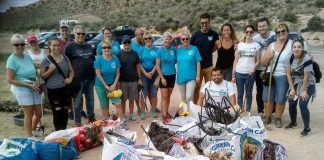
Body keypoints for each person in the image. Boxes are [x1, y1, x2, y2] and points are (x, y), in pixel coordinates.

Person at [6, 34, 42, 137]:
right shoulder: (11, 60)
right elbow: (10, 79)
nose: (19, 47)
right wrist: (28, 85)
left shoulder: (27, 56)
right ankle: (29, 136)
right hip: (22, 89)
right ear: (12, 46)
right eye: (16, 45)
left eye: (22, 44)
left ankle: (33, 130)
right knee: (29, 114)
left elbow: (33, 70)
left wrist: (37, 79)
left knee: (39, 113)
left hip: (34, 87)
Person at [261, 23, 292, 127]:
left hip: (283, 75)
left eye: (283, 31)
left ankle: (278, 117)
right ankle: (268, 116)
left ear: (287, 32)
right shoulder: (271, 45)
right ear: (276, 34)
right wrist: (268, 57)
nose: (281, 33)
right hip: (270, 75)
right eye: (278, 32)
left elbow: (299, 56)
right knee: (267, 98)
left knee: (280, 99)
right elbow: (263, 63)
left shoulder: (291, 45)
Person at [64, 25, 96, 126]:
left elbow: (92, 60)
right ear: (74, 34)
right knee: (77, 102)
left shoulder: (89, 46)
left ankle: (91, 117)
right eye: (79, 33)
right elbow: (66, 62)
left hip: (90, 78)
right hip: (77, 80)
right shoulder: (69, 47)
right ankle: (77, 122)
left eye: (83, 33)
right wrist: (69, 77)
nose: (81, 35)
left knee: (90, 100)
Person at [40, 37, 74, 131]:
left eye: (58, 45)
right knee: (57, 111)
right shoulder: (46, 60)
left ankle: (64, 130)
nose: (56, 47)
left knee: (65, 110)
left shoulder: (65, 58)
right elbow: (42, 76)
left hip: (64, 88)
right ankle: (58, 132)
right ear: (50, 46)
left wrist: (70, 78)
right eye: (54, 45)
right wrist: (50, 70)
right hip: (53, 90)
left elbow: (71, 71)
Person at [285, 40, 316, 136]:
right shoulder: (289, 57)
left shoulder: (307, 58)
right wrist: (292, 89)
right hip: (296, 82)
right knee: (291, 102)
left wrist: (303, 90)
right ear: (292, 48)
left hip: (308, 83)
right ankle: (293, 123)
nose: (296, 49)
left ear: (302, 48)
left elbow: (306, 76)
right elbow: (288, 74)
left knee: (302, 104)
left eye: (299, 47)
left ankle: (307, 128)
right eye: (294, 47)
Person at [191, 13, 219, 103]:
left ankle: (210, 107)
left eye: (206, 22)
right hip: (197, 68)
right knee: (196, 89)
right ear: (200, 23)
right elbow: (190, 50)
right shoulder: (195, 35)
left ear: (209, 22)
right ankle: (196, 108)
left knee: (210, 89)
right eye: (202, 23)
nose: (204, 24)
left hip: (209, 67)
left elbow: (216, 47)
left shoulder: (214, 34)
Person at [232, 25, 260, 114]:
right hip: (239, 72)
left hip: (250, 74)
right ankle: (239, 112)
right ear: (245, 33)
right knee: (240, 94)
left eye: (251, 32)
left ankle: (247, 111)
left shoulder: (256, 45)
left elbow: (258, 61)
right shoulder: (240, 45)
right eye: (247, 32)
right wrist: (233, 74)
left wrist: (253, 68)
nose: (249, 33)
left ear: (253, 33)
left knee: (248, 94)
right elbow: (236, 60)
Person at [252, 17, 276, 116]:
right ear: (258, 28)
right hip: (259, 68)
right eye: (260, 26)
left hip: (272, 67)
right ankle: (261, 111)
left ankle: (273, 111)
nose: (262, 28)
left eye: (264, 26)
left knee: (272, 89)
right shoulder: (255, 38)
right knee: (260, 90)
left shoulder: (275, 35)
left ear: (268, 25)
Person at [94, 40, 122, 120]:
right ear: (101, 49)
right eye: (104, 47)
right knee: (104, 105)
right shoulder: (98, 59)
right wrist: (106, 86)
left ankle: (121, 122)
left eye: (108, 47)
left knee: (118, 103)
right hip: (101, 86)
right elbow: (98, 74)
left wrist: (114, 84)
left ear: (111, 48)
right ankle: (107, 122)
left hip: (113, 85)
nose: (106, 49)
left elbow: (118, 73)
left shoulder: (115, 59)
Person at [117, 35, 141, 121]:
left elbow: (138, 66)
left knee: (132, 99)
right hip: (122, 81)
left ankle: (131, 115)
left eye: (128, 42)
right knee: (123, 100)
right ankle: (123, 116)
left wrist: (139, 78)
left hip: (133, 80)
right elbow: (117, 69)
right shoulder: (119, 54)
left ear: (131, 43)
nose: (127, 44)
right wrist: (117, 81)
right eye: (125, 42)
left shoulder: (135, 53)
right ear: (122, 43)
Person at [176, 31, 202, 111]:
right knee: (183, 98)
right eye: (183, 39)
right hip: (181, 77)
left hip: (191, 77)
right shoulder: (178, 50)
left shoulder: (194, 49)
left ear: (189, 39)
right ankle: (185, 114)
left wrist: (198, 75)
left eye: (187, 39)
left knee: (189, 96)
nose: (185, 40)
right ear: (181, 40)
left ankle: (191, 113)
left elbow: (198, 62)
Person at [156, 32, 177, 124]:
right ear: (163, 40)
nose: (167, 41)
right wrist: (162, 78)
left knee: (168, 96)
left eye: (169, 39)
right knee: (164, 96)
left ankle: (166, 111)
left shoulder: (173, 49)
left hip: (172, 75)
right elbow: (157, 66)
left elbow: (175, 61)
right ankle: (164, 115)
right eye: (166, 39)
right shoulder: (160, 51)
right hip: (163, 76)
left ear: (171, 40)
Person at [138, 32, 159, 120]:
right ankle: (143, 112)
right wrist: (146, 73)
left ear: (152, 39)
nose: (147, 40)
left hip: (154, 74)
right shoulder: (141, 50)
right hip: (144, 75)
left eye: (149, 38)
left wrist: (152, 72)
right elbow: (139, 63)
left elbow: (158, 63)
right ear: (143, 40)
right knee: (144, 94)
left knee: (154, 93)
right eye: (145, 39)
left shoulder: (157, 50)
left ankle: (153, 110)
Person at [131, 28, 145, 114]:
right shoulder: (132, 44)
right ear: (136, 35)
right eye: (141, 35)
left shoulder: (144, 43)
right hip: (136, 71)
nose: (143, 36)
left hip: (146, 70)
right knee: (137, 90)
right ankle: (138, 107)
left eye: (143, 34)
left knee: (147, 90)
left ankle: (152, 106)